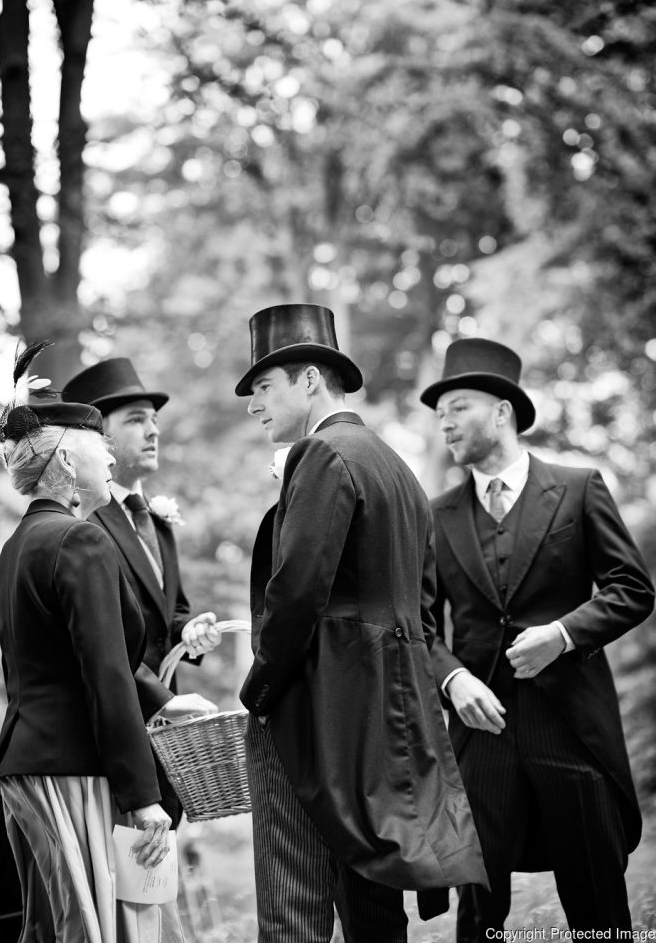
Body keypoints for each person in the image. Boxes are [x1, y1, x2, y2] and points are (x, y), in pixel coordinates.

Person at [235, 304, 487, 943]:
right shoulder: (396, 466)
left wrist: (259, 690)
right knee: (372, 901)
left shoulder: (323, 454)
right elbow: (422, 609)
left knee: (295, 905)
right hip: (392, 714)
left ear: (309, 380)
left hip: (323, 709)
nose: (253, 405)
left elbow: (297, 592)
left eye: (263, 386)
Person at [420, 336, 655, 939]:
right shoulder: (435, 515)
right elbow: (419, 624)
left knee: (598, 902)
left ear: (502, 411)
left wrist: (563, 633)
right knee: (480, 914)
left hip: (570, 725)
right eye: (440, 412)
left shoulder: (579, 488)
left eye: (458, 407)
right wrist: (453, 679)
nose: (445, 422)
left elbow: (633, 588)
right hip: (480, 732)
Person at [0, 344, 189, 943]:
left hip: (27, 768)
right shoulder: (81, 540)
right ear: (68, 463)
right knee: (105, 926)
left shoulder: (17, 546)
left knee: (53, 927)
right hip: (75, 771)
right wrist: (143, 797)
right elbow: (107, 676)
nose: (110, 457)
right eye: (101, 446)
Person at [62, 358, 220, 821]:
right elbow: (94, 640)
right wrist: (160, 700)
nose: (153, 431)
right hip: (110, 743)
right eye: (136, 420)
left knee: (158, 864)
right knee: (121, 863)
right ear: (99, 438)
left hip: (166, 743)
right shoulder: (84, 522)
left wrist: (190, 629)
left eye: (154, 420)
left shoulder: (158, 520)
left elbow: (169, 612)